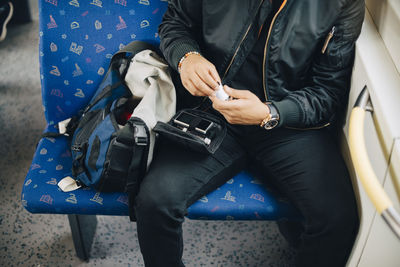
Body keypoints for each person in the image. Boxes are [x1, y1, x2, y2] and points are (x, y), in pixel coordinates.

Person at [133, 0, 365, 266]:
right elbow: (176, 24)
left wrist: (270, 113)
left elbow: (327, 93)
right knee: (155, 203)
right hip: (212, 113)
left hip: (286, 123)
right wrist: (188, 58)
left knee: (336, 220)